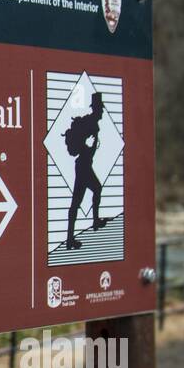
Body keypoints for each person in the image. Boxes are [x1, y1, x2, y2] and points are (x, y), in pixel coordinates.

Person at [64, 92, 106, 250]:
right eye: (100, 109)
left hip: (86, 164)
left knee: (94, 190)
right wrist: (86, 144)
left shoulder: (95, 124)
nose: (102, 112)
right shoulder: (89, 122)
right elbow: (80, 145)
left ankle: (93, 222)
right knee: (77, 201)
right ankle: (70, 239)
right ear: (95, 109)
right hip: (82, 166)